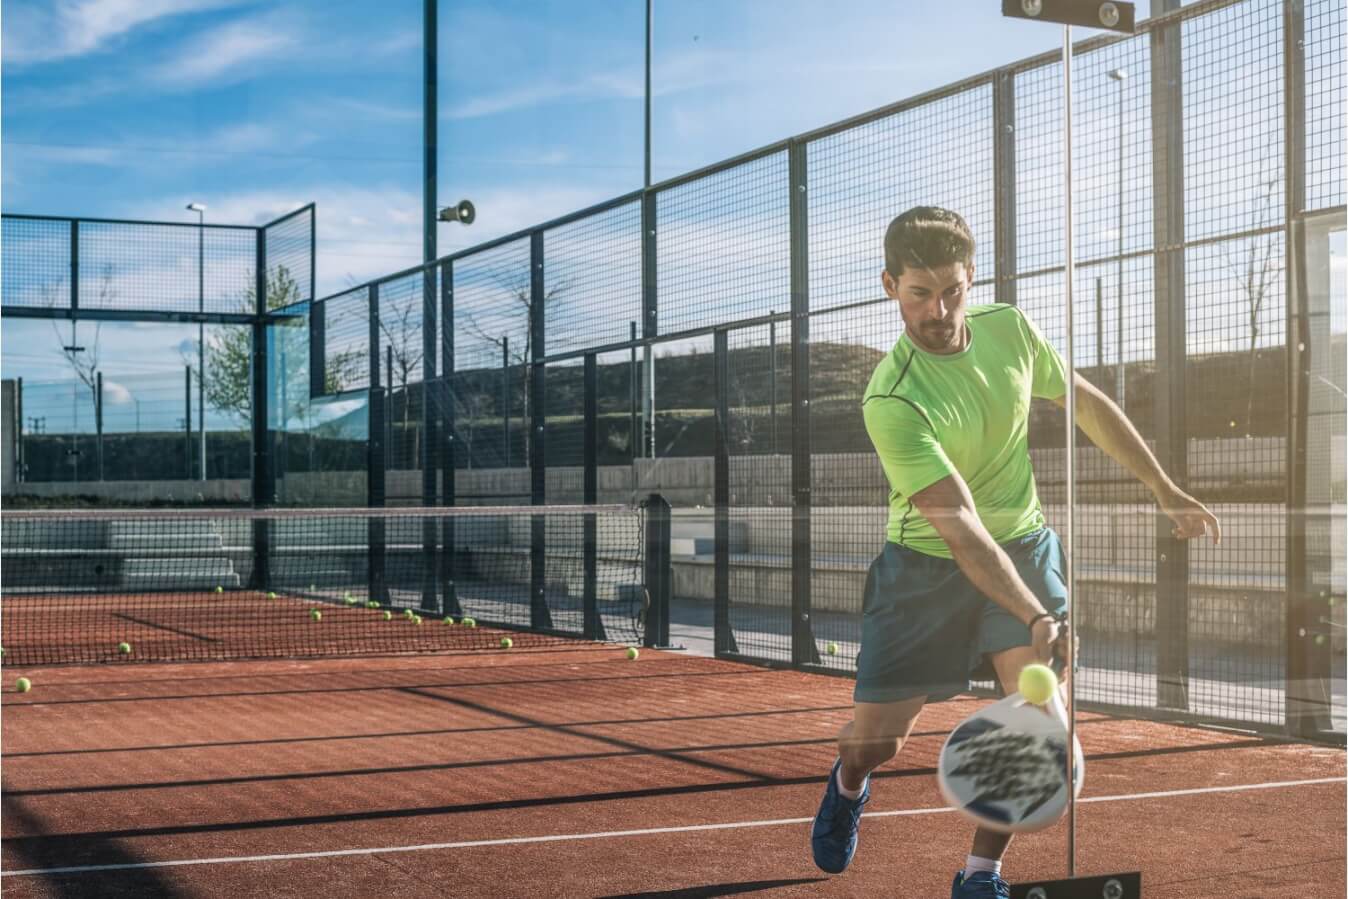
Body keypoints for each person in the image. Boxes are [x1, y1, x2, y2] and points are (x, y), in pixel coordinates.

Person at [809, 207, 1221, 898]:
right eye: (918, 293)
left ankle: (979, 874)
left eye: (951, 290)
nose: (937, 310)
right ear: (889, 285)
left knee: (1036, 726)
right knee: (879, 739)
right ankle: (850, 781)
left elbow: (1085, 403)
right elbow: (961, 526)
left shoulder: (1010, 330)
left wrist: (1165, 487)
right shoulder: (892, 397)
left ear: (972, 277)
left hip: (1024, 544)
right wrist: (1036, 613)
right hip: (926, 566)